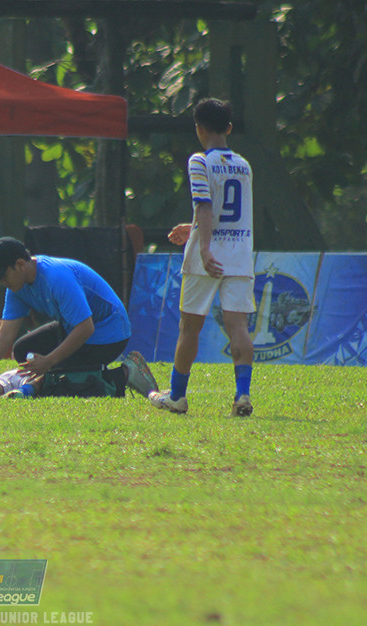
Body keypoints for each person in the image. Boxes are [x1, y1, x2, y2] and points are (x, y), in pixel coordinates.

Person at [151, 98, 255, 417]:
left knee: (190, 327)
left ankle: (177, 396)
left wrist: (204, 248)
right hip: (239, 253)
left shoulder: (199, 161)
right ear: (229, 128)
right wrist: (192, 226)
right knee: (238, 326)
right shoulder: (243, 165)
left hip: (206, 257)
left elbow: (206, 206)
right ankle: (242, 394)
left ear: (199, 129)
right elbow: (227, 211)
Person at [0, 236, 158, 399]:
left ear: (20, 265)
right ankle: (62, 375)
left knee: (57, 382)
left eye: (4, 276)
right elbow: (6, 333)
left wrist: (49, 361)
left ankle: (126, 373)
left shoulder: (57, 277)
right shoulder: (16, 288)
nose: (2, 282)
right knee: (23, 351)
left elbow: (86, 328)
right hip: (74, 328)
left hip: (110, 334)